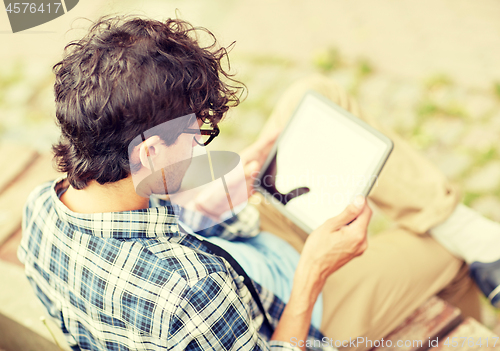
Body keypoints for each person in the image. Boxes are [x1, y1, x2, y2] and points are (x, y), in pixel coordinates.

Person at [18, 16, 499, 351]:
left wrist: (211, 199)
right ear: (149, 152)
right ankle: (476, 274)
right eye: (195, 135)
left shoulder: (44, 205)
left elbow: (152, 234)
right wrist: (313, 270)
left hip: (239, 240)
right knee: (447, 253)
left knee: (312, 95)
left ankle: (468, 231)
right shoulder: (190, 293)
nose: (203, 149)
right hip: (297, 304)